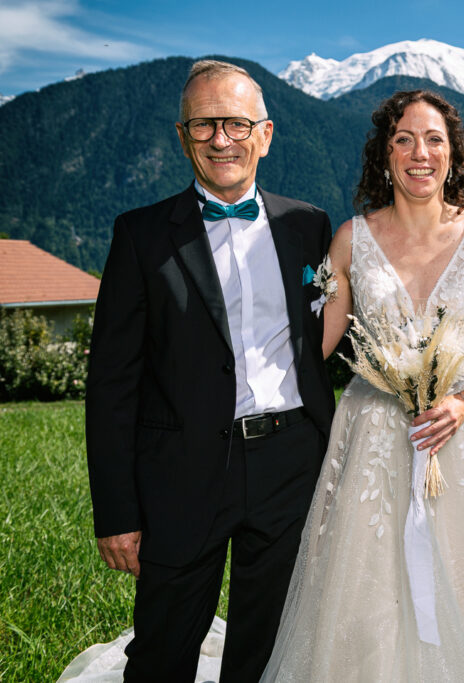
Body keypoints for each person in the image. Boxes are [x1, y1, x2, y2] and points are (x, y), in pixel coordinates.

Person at [259, 89, 464, 682]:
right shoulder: (349, 241)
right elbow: (320, 346)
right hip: (374, 442)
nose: (420, 153)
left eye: (434, 140)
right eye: (404, 139)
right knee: (366, 593)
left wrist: (461, 403)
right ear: (385, 155)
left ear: (453, 157)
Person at [83, 60, 336, 682]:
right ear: (182, 135)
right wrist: (117, 513)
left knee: (269, 649)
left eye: (235, 123)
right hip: (181, 472)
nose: (221, 139)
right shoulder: (141, 235)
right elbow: (112, 383)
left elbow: (336, 336)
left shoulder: (308, 226)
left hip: (290, 465)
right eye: (203, 126)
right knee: (163, 652)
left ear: (266, 134)